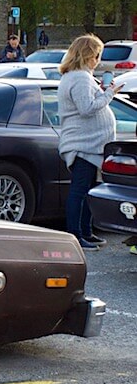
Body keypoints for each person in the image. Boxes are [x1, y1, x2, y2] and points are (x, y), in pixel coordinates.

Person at [57, 34, 120, 251]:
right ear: (86, 55)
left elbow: (88, 103)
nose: (98, 61)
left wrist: (103, 93)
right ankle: (75, 235)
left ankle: (85, 232)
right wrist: (109, 94)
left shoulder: (76, 76)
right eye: (96, 56)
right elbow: (87, 108)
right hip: (83, 145)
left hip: (89, 145)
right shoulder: (80, 78)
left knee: (89, 191)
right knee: (80, 191)